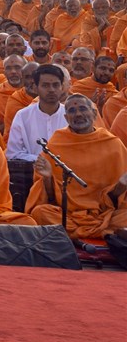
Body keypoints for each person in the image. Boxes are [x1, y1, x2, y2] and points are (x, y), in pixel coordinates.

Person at [26, 94, 127, 240]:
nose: (78, 114)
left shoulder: (113, 144)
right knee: (40, 213)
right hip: (68, 215)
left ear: (93, 113)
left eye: (82, 108)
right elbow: (50, 197)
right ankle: (105, 233)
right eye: (72, 111)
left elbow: (119, 200)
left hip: (105, 214)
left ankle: (72, 235)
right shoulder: (56, 143)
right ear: (66, 118)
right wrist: (47, 178)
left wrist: (121, 187)